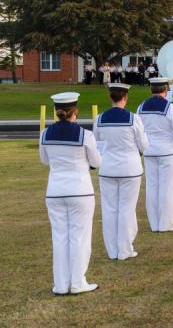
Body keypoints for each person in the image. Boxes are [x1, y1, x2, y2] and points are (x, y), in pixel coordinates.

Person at [40, 92, 102, 295]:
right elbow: (96, 162)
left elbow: (45, 160)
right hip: (80, 191)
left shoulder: (45, 134)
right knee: (79, 237)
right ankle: (77, 282)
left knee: (59, 237)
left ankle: (60, 284)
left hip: (55, 190)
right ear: (75, 111)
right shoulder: (86, 135)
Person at [93, 83, 148, 261]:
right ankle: (124, 249)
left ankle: (113, 250)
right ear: (125, 98)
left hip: (108, 168)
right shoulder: (134, 118)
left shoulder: (99, 119)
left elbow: (97, 145)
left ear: (111, 98)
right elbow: (144, 145)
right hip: (129, 169)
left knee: (109, 209)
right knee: (126, 209)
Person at [137, 77, 173, 232]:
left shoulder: (141, 107)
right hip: (167, 151)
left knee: (152, 187)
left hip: (150, 151)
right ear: (166, 90)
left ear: (151, 90)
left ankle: (154, 223)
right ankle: (165, 224)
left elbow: (139, 131)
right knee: (168, 188)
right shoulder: (171, 109)